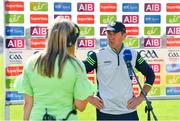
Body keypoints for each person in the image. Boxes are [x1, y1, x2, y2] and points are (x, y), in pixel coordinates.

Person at [20, 18, 95, 120]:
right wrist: (89, 89)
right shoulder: (76, 65)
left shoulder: (31, 62)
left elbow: (28, 104)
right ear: (71, 40)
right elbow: (80, 106)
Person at [84, 21, 155, 120]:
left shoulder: (133, 54)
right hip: (105, 112)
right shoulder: (97, 55)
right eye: (109, 33)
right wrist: (89, 97)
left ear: (124, 36)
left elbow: (150, 75)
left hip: (129, 111)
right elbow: (77, 73)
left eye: (114, 34)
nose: (111, 37)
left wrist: (141, 97)